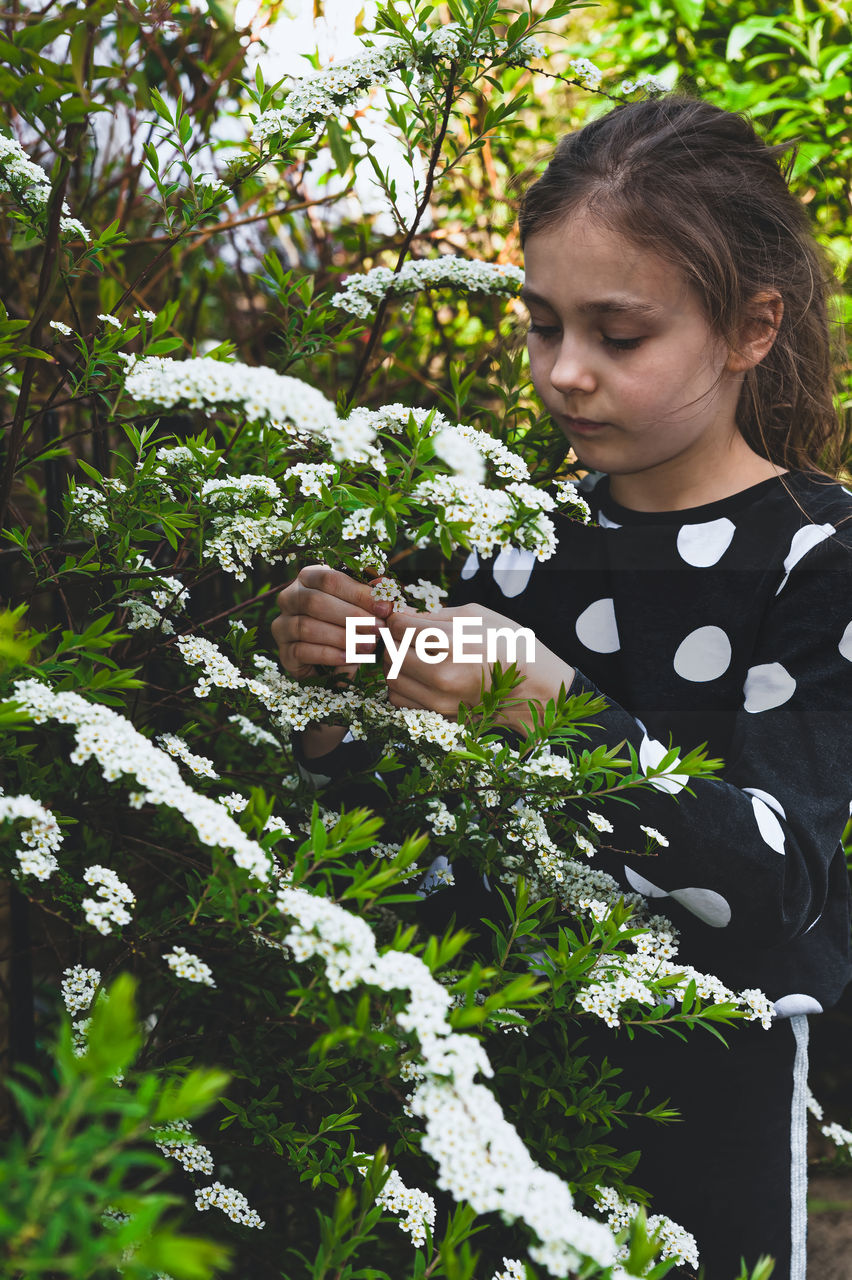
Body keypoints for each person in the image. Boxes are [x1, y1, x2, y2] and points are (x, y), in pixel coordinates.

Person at [271, 96, 852, 1279]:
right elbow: (401, 850)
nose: (565, 373)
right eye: (542, 326)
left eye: (619, 334)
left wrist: (551, 709)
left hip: (707, 1116)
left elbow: (775, 880)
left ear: (751, 328)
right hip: (478, 1085)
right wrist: (335, 704)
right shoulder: (505, 540)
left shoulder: (817, 556)